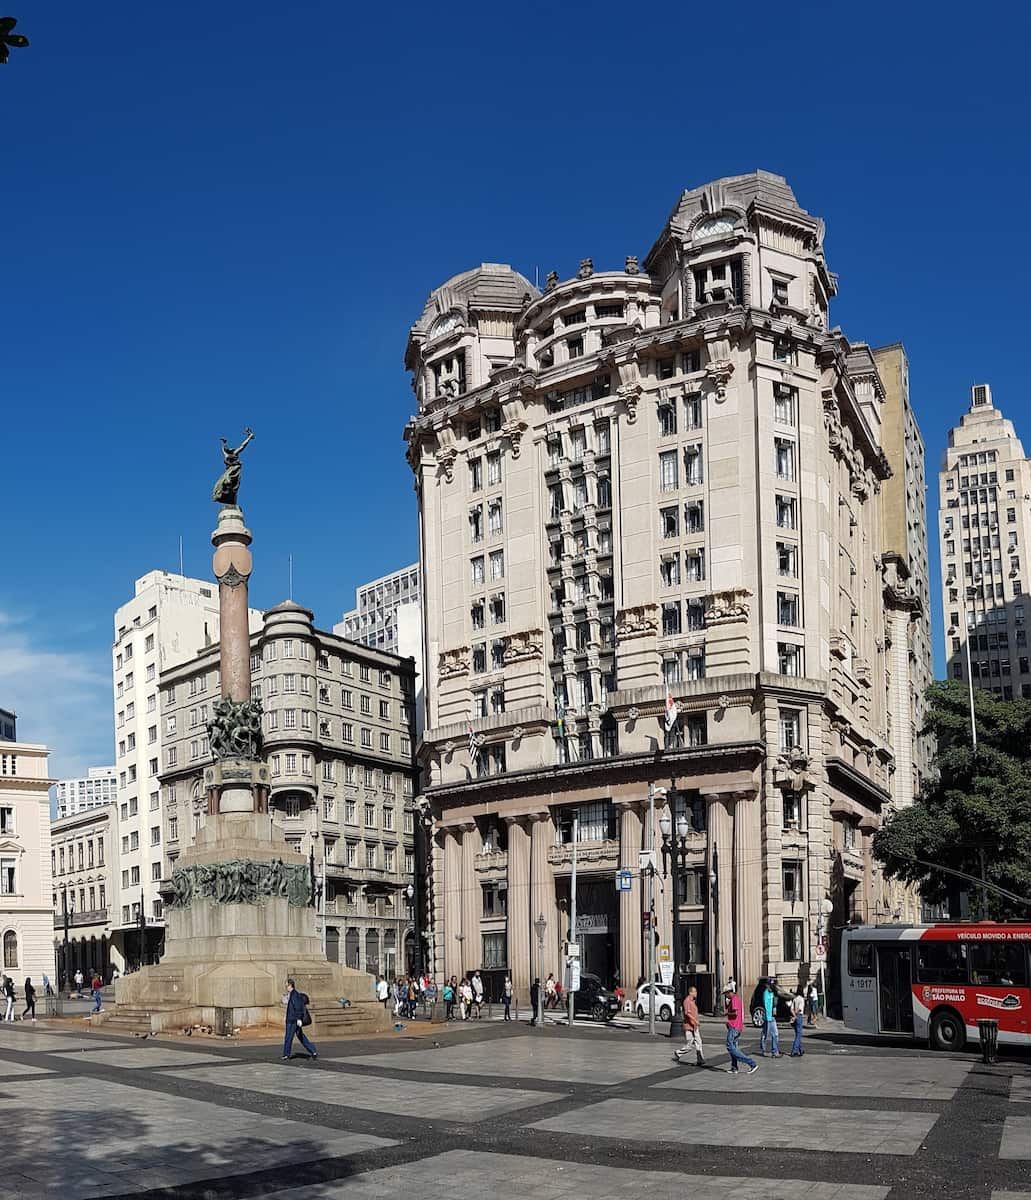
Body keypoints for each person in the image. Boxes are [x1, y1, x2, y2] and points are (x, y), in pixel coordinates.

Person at [724, 983, 758, 1075]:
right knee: (733, 1047)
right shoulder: (736, 999)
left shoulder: (734, 999)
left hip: (734, 1027)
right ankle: (734, 1067)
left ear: (729, 992)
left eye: (726, 994)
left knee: (730, 1046)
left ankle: (752, 1063)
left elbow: (735, 1013)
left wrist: (727, 1014)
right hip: (737, 1026)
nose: (726, 996)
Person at [281, 978, 317, 1061]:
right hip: (292, 1019)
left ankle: (286, 1054)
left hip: (292, 1020)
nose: (286, 987)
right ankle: (313, 1051)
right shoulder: (292, 994)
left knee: (288, 1037)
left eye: (286, 985)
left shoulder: (294, 995)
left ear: (290, 985)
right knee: (301, 1036)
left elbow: (298, 1008)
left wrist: (298, 1018)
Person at [673, 984, 705, 1067]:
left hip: (694, 1026)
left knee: (698, 1042)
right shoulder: (687, 1001)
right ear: (690, 992)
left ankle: (700, 1059)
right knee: (690, 1044)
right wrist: (694, 1020)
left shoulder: (692, 1001)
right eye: (695, 991)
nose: (696, 993)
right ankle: (678, 1053)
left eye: (696, 991)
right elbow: (687, 1013)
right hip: (689, 1026)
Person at [761, 979, 781, 1057]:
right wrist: (767, 1016)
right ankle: (763, 1050)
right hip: (767, 1017)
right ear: (767, 985)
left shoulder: (772, 993)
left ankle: (775, 1051)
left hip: (772, 1017)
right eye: (770, 985)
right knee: (765, 1034)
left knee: (775, 1034)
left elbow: (774, 1003)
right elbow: (765, 1005)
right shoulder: (765, 993)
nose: (771, 987)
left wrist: (774, 1009)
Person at [789, 987, 806, 1056]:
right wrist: (796, 1015)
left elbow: (791, 1009)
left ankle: (801, 1049)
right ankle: (794, 1050)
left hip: (795, 1017)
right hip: (799, 1017)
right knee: (799, 1035)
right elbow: (800, 1009)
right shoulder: (801, 999)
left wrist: (794, 1016)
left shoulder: (795, 999)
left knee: (797, 1034)